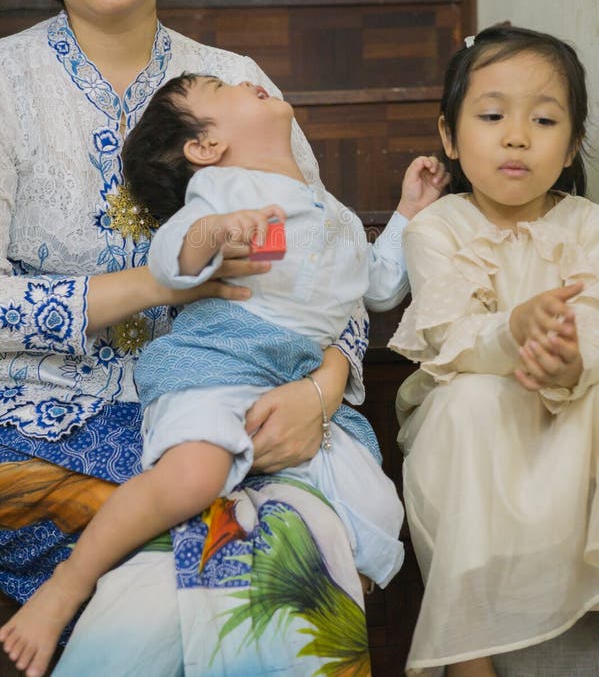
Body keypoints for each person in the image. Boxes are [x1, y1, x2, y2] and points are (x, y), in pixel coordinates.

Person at [0, 0, 438, 677]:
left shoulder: (238, 85)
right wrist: (159, 287)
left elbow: (327, 272)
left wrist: (321, 390)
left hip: (243, 412)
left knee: (276, 549)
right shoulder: (5, 87)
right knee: (191, 584)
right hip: (45, 432)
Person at [0, 69, 448, 674]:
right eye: (222, 86)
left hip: (290, 379)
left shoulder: (332, 212)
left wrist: (409, 214)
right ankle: (68, 586)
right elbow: (171, 255)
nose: (245, 79)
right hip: (217, 363)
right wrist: (214, 232)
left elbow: (375, 286)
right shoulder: (223, 191)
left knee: (368, 505)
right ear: (205, 148)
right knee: (194, 478)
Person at [389, 24, 599, 677]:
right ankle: (468, 654)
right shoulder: (437, 228)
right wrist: (514, 332)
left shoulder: (587, 226)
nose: (515, 136)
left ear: (569, 148)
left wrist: (568, 358)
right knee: (470, 402)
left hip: (568, 410)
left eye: (542, 119)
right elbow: (448, 337)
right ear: (449, 137)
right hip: (473, 422)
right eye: (490, 115)